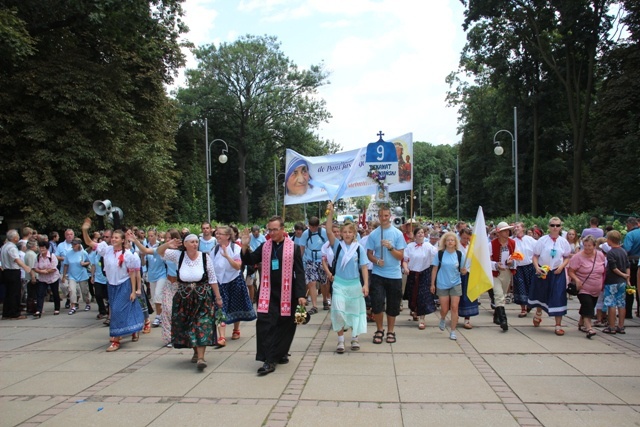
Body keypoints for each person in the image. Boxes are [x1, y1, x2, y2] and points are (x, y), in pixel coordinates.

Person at [240, 216, 306, 376]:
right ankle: (268, 360)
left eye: (275, 229)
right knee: (265, 324)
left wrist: (301, 295)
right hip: (267, 293)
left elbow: (299, 272)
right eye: (270, 229)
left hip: (287, 294)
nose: (272, 232)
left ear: (283, 229)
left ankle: (281, 352)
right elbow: (250, 260)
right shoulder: (264, 246)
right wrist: (244, 245)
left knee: (286, 326)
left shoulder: (294, 248)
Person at [156, 233, 222, 371]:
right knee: (188, 326)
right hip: (184, 297)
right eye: (191, 242)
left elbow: (212, 278)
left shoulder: (205, 257)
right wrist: (168, 245)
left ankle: (201, 358)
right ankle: (195, 351)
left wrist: (218, 297)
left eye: (196, 242)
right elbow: (159, 252)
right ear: (185, 244)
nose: (194, 244)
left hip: (202, 296)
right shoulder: (178, 256)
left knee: (202, 324)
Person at [81, 219, 144, 352]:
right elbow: (89, 242)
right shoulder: (106, 250)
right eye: (113, 237)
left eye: (116, 238)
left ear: (122, 240)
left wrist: (134, 290)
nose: (113, 240)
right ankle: (132, 330)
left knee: (116, 310)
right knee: (119, 309)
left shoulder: (128, 255)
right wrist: (85, 230)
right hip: (112, 285)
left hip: (124, 284)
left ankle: (115, 338)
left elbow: (132, 273)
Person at [326, 202, 368, 353]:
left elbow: (364, 267)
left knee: (354, 312)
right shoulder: (337, 245)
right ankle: (341, 340)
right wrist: (330, 212)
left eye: (350, 232)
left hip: (354, 284)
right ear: (341, 234)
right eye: (345, 232)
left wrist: (366, 285)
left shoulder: (359, 248)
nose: (348, 234)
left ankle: (355, 338)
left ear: (354, 233)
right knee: (338, 311)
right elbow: (329, 231)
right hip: (339, 284)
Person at [365, 205, 406, 344]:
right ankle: (379, 329)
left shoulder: (397, 234)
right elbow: (369, 254)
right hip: (378, 274)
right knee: (377, 303)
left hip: (394, 275)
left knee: (393, 305)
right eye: (381, 215)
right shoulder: (374, 234)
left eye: (386, 215)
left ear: (390, 216)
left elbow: (400, 256)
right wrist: (376, 260)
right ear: (378, 216)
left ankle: (390, 330)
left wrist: (390, 248)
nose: (383, 218)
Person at [211, 225, 256, 347]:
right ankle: (221, 336)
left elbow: (237, 266)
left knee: (237, 306)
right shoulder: (214, 250)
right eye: (217, 233)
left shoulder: (235, 248)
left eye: (220, 234)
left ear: (227, 236)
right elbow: (210, 268)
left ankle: (236, 329)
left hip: (235, 280)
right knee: (220, 308)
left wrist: (227, 256)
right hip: (220, 283)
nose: (217, 235)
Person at [529, 217, 572, 336]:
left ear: (561, 227)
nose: (555, 228)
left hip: (557, 272)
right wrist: (537, 267)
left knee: (558, 295)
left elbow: (567, 257)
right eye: (552, 225)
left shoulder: (563, 242)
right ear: (549, 227)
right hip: (544, 271)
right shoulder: (542, 240)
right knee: (541, 293)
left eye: (557, 226)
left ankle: (558, 325)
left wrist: (562, 267)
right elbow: (535, 256)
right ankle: (538, 313)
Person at [567, 236, 606, 338]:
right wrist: (577, 280)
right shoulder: (577, 257)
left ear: (594, 246)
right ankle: (589, 328)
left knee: (589, 306)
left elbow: (603, 270)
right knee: (588, 306)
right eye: (585, 246)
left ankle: (581, 322)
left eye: (590, 246)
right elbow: (570, 271)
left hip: (596, 288)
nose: (587, 248)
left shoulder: (600, 255)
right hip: (583, 287)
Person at [431, 232, 466, 340]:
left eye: (452, 240)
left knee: (454, 308)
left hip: (455, 283)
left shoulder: (460, 255)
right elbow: (435, 269)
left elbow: (462, 270)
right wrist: (432, 284)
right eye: (448, 240)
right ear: (444, 242)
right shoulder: (440, 254)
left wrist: (464, 271)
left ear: (455, 242)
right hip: (442, 283)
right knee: (444, 309)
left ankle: (453, 331)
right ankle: (442, 318)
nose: (450, 242)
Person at [402, 226, 437, 330]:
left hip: (425, 273)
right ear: (415, 235)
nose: (421, 234)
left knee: (423, 296)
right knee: (413, 295)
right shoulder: (410, 246)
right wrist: (405, 268)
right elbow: (405, 260)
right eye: (418, 233)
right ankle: (415, 310)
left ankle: (422, 318)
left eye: (422, 232)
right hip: (413, 273)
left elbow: (436, 255)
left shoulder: (428, 246)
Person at [602, 230, 631, 334]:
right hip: (622, 282)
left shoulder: (611, 253)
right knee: (621, 303)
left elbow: (613, 268)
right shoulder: (623, 251)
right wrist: (627, 278)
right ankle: (621, 326)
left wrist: (622, 274)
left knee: (611, 304)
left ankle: (612, 326)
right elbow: (627, 266)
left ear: (610, 240)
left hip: (612, 281)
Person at [490, 222, 516, 332]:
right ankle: (503, 320)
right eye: (504, 230)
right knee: (498, 295)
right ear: (499, 233)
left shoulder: (513, 243)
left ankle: (496, 315)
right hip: (496, 273)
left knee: (503, 294)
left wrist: (512, 261)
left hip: (507, 272)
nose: (507, 232)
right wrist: (496, 265)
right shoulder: (491, 244)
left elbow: (516, 257)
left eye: (508, 230)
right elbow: (486, 260)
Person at [299, 217, 328, 315]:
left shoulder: (324, 232)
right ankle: (314, 306)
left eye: (315, 227)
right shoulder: (305, 234)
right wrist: (299, 261)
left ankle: (324, 299)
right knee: (312, 282)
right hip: (310, 260)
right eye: (311, 227)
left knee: (324, 282)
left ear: (318, 226)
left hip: (322, 260)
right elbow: (302, 248)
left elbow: (329, 245)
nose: (313, 229)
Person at [1, 230, 32, 319]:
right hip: (13, 271)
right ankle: (14, 313)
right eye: (18, 235)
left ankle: (6, 312)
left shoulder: (4, 246)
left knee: (8, 293)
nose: (19, 237)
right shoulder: (12, 247)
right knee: (15, 293)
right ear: (15, 238)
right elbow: (16, 259)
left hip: (6, 271)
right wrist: (25, 267)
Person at [61, 238, 91, 315]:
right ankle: (73, 306)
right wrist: (64, 276)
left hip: (82, 274)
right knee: (72, 290)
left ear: (79, 245)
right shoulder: (69, 253)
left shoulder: (83, 252)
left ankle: (87, 302)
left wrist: (84, 264)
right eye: (72, 244)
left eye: (75, 244)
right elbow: (66, 265)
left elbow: (89, 261)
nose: (73, 245)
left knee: (84, 291)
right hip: (72, 275)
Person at [512, 222, 536, 317]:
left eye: (518, 227)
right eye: (515, 227)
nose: (516, 228)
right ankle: (523, 308)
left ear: (523, 228)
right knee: (520, 286)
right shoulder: (513, 241)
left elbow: (537, 250)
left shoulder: (530, 240)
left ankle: (529, 304)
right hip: (518, 267)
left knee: (531, 286)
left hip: (530, 266)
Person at [33, 240, 61, 318]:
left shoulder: (52, 256)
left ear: (47, 248)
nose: (42, 249)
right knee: (40, 294)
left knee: (55, 293)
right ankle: (39, 310)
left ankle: (57, 308)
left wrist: (46, 271)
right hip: (42, 278)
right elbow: (35, 268)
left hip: (53, 277)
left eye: (43, 248)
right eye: (40, 248)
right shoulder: (38, 257)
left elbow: (54, 268)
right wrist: (41, 271)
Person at [457, 228, 477, 329]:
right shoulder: (456, 246)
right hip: (457, 275)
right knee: (456, 297)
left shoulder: (472, 247)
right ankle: (455, 316)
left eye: (467, 238)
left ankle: (467, 319)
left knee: (468, 297)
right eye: (464, 238)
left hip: (469, 274)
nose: (465, 240)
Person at [622, 217, 639, 318]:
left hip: (633, 264)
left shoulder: (630, 234)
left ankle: (628, 312)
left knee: (630, 287)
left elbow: (627, 249)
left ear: (629, 225)